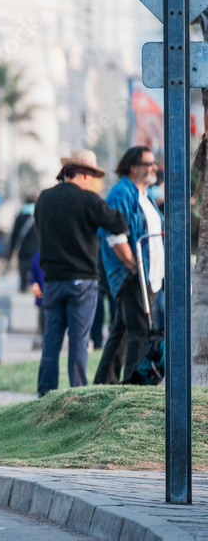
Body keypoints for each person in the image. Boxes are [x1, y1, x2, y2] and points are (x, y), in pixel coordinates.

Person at [34, 150, 126, 397]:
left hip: (52, 281)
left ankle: (45, 394)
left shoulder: (44, 199)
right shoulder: (89, 200)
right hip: (82, 281)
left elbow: (39, 231)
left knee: (51, 342)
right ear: (84, 174)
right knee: (79, 342)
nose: (93, 181)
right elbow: (119, 223)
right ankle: (77, 395)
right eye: (92, 175)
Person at [94, 146, 164, 386]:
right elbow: (115, 236)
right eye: (149, 163)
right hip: (133, 276)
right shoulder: (121, 192)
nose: (155, 167)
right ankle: (133, 387)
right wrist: (134, 268)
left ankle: (105, 383)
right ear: (134, 167)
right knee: (140, 332)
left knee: (122, 331)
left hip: (150, 276)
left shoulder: (144, 193)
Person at [8, 194, 39, 293]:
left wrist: (11, 252)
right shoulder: (39, 215)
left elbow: (14, 235)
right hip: (36, 250)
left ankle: (23, 288)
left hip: (23, 250)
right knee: (35, 272)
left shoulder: (20, 217)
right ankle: (34, 289)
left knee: (23, 271)